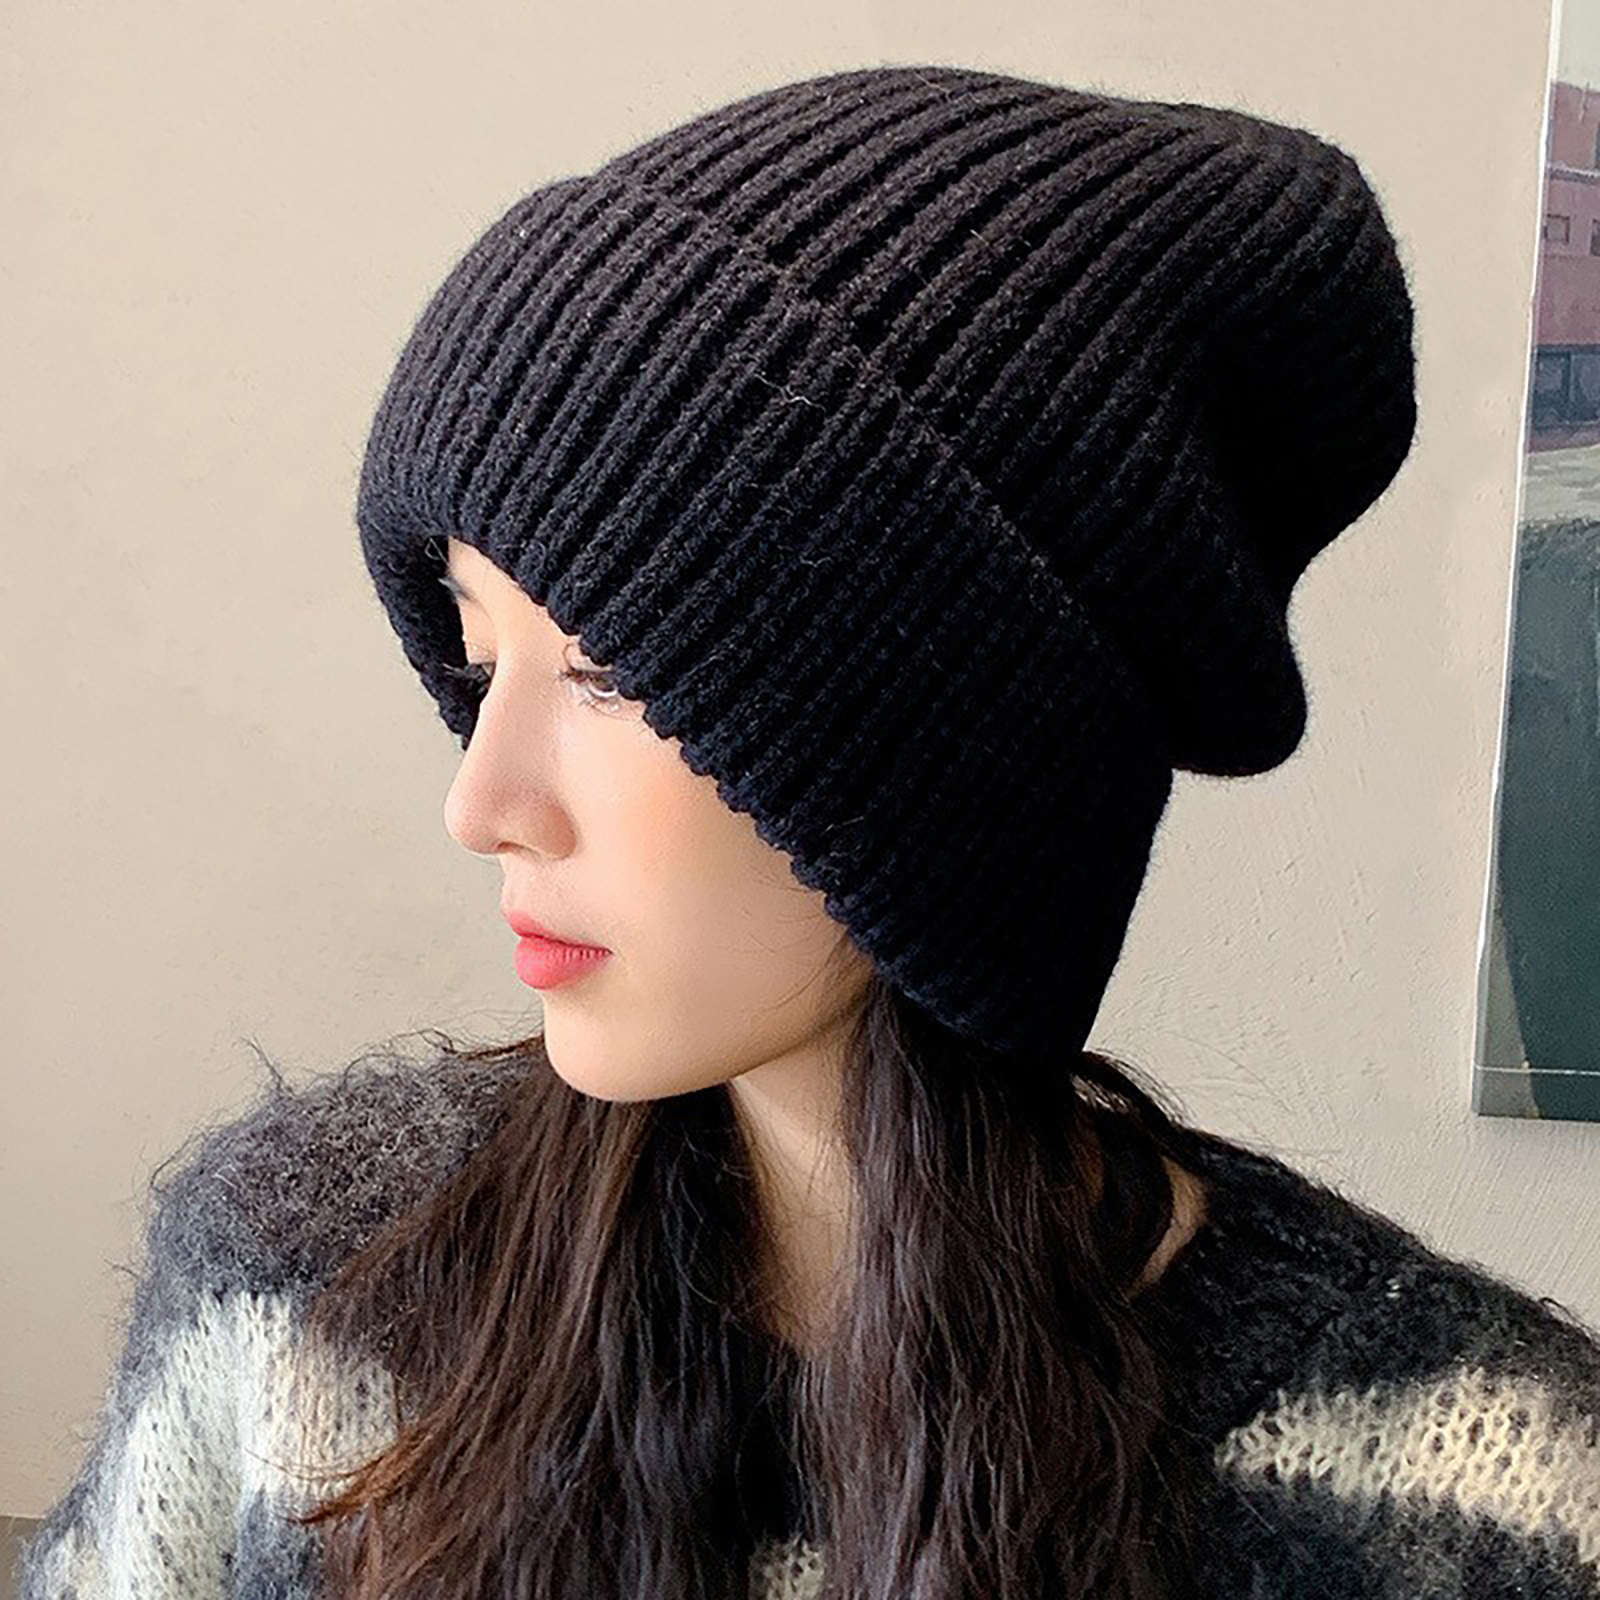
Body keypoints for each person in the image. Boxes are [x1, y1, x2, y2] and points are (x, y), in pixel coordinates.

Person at [17, 61, 1600, 1600]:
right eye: (484, 658)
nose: (480, 804)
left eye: (611, 668)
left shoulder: (1486, 1491)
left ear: (948, 756)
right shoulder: (296, 1282)